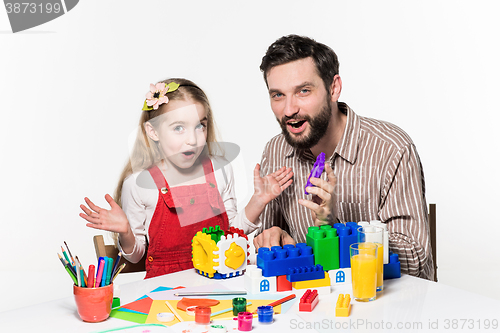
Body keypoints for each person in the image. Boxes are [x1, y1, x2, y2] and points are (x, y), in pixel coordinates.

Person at [253, 35, 434, 280]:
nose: (289, 110)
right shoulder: (276, 151)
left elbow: (414, 260)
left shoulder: (391, 148)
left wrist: (334, 230)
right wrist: (271, 236)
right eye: (277, 95)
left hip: (385, 308)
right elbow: (269, 251)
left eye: (303, 91)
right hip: (312, 307)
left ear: (333, 88)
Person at [80, 78, 293, 278]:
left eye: (200, 125)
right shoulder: (139, 184)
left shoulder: (219, 171)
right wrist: (126, 231)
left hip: (218, 282)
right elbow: (135, 256)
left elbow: (229, 235)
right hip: (165, 292)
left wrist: (258, 201)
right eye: (179, 128)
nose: (192, 139)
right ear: (153, 132)